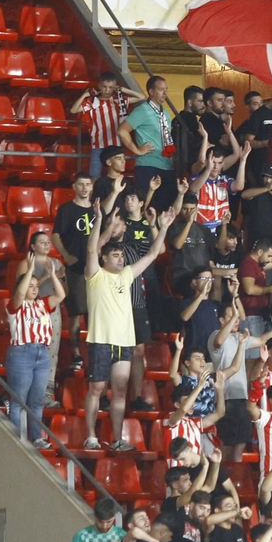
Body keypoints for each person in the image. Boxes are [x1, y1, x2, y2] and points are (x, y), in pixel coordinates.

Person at [85, 203, 174, 452]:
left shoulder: (126, 275)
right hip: (101, 339)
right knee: (97, 388)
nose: (120, 259)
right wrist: (99, 220)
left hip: (124, 341)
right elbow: (91, 249)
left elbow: (152, 255)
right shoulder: (95, 275)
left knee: (120, 390)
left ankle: (117, 439)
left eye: (121, 256)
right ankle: (91, 436)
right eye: (115, 255)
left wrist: (163, 228)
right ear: (104, 258)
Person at [5, 247, 64, 446]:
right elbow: (20, 293)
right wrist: (30, 271)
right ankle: (18, 440)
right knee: (19, 400)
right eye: (30, 286)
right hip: (21, 353)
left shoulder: (43, 304)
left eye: (36, 286)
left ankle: (37, 437)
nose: (34, 289)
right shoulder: (15, 305)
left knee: (37, 401)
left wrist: (53, 275)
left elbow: (61, 295)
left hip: (42, 353)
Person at [118, 76, 178, 213]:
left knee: (166, 208)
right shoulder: (143, 110)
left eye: (166, 89)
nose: (165, 93)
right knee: (147, 207)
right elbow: (122, 131)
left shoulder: (165, 113)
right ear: (151, 91)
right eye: (161, 89)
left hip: (167, 165)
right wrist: (137, 150)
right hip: (148, 165)